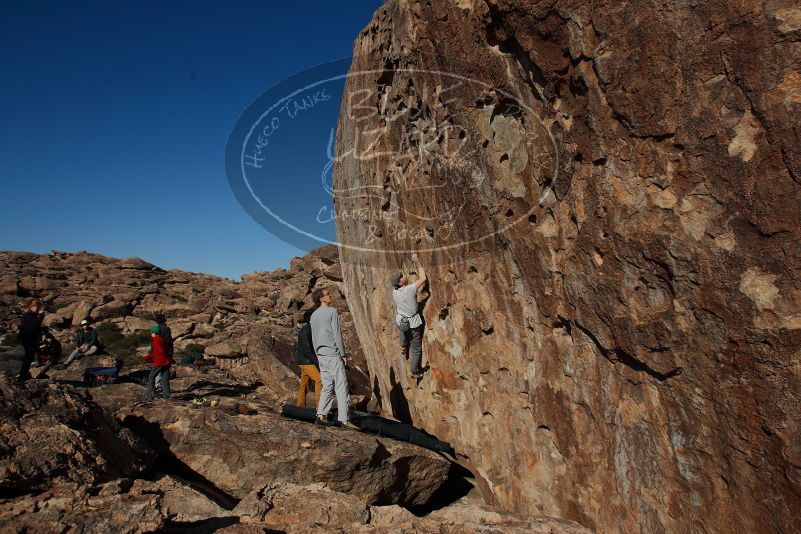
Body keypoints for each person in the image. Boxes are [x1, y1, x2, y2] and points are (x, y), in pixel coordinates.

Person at [310, 287, 354, 427]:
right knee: (341, 386)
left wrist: (317, 354)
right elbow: (336, 333)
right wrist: (342, 353)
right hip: (332, 354)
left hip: (321, 355)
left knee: (327, 386)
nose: (330, 295)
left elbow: (313, 336)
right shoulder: (332, 311)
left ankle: (321, 415)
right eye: (327, 294)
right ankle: (344, 420)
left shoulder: (314, 315)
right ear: (322, 299)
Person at [389, 252, 427, 378]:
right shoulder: (409, 289)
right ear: (400, 282)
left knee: (403, 331)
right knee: (416, 349)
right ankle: (414, 371)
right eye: (402, 276)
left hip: (401, 320)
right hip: (412, 323)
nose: (404, 275)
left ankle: (403, 346)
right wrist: (417, 262)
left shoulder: (395, 292)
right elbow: (423, 279)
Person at [294, 309, 321, 407]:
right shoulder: (306, 331)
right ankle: (320, 406)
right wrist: (317, 362)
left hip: (304, 361)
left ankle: (300, 405)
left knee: (304, 384)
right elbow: (307, 349)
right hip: (306, 361)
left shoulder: (310, 329)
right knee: (319, 379)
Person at [143, 325, 173, 402]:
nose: (151, 334)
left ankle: (150, 397)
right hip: (166, 361)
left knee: (151, 376)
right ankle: (167, 396)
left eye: (151, 333)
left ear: (154, 332)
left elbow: (159, 352)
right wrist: (147, 357)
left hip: (160, 361)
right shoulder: (161, 338)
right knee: (165, 377)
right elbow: (161, 351)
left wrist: (147, 357)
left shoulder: (156, 339)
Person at [17, 299, 44, 381]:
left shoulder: (32, 315)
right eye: (36, 306)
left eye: (38, 307)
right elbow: (35, 325)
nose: (38, 308)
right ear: (31, 307)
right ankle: (23, 374)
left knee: (30, 357)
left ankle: (25, 373)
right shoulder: (28, 315)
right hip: (28, 339)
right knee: (28, 357)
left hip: (31, 338)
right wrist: (41, 317)